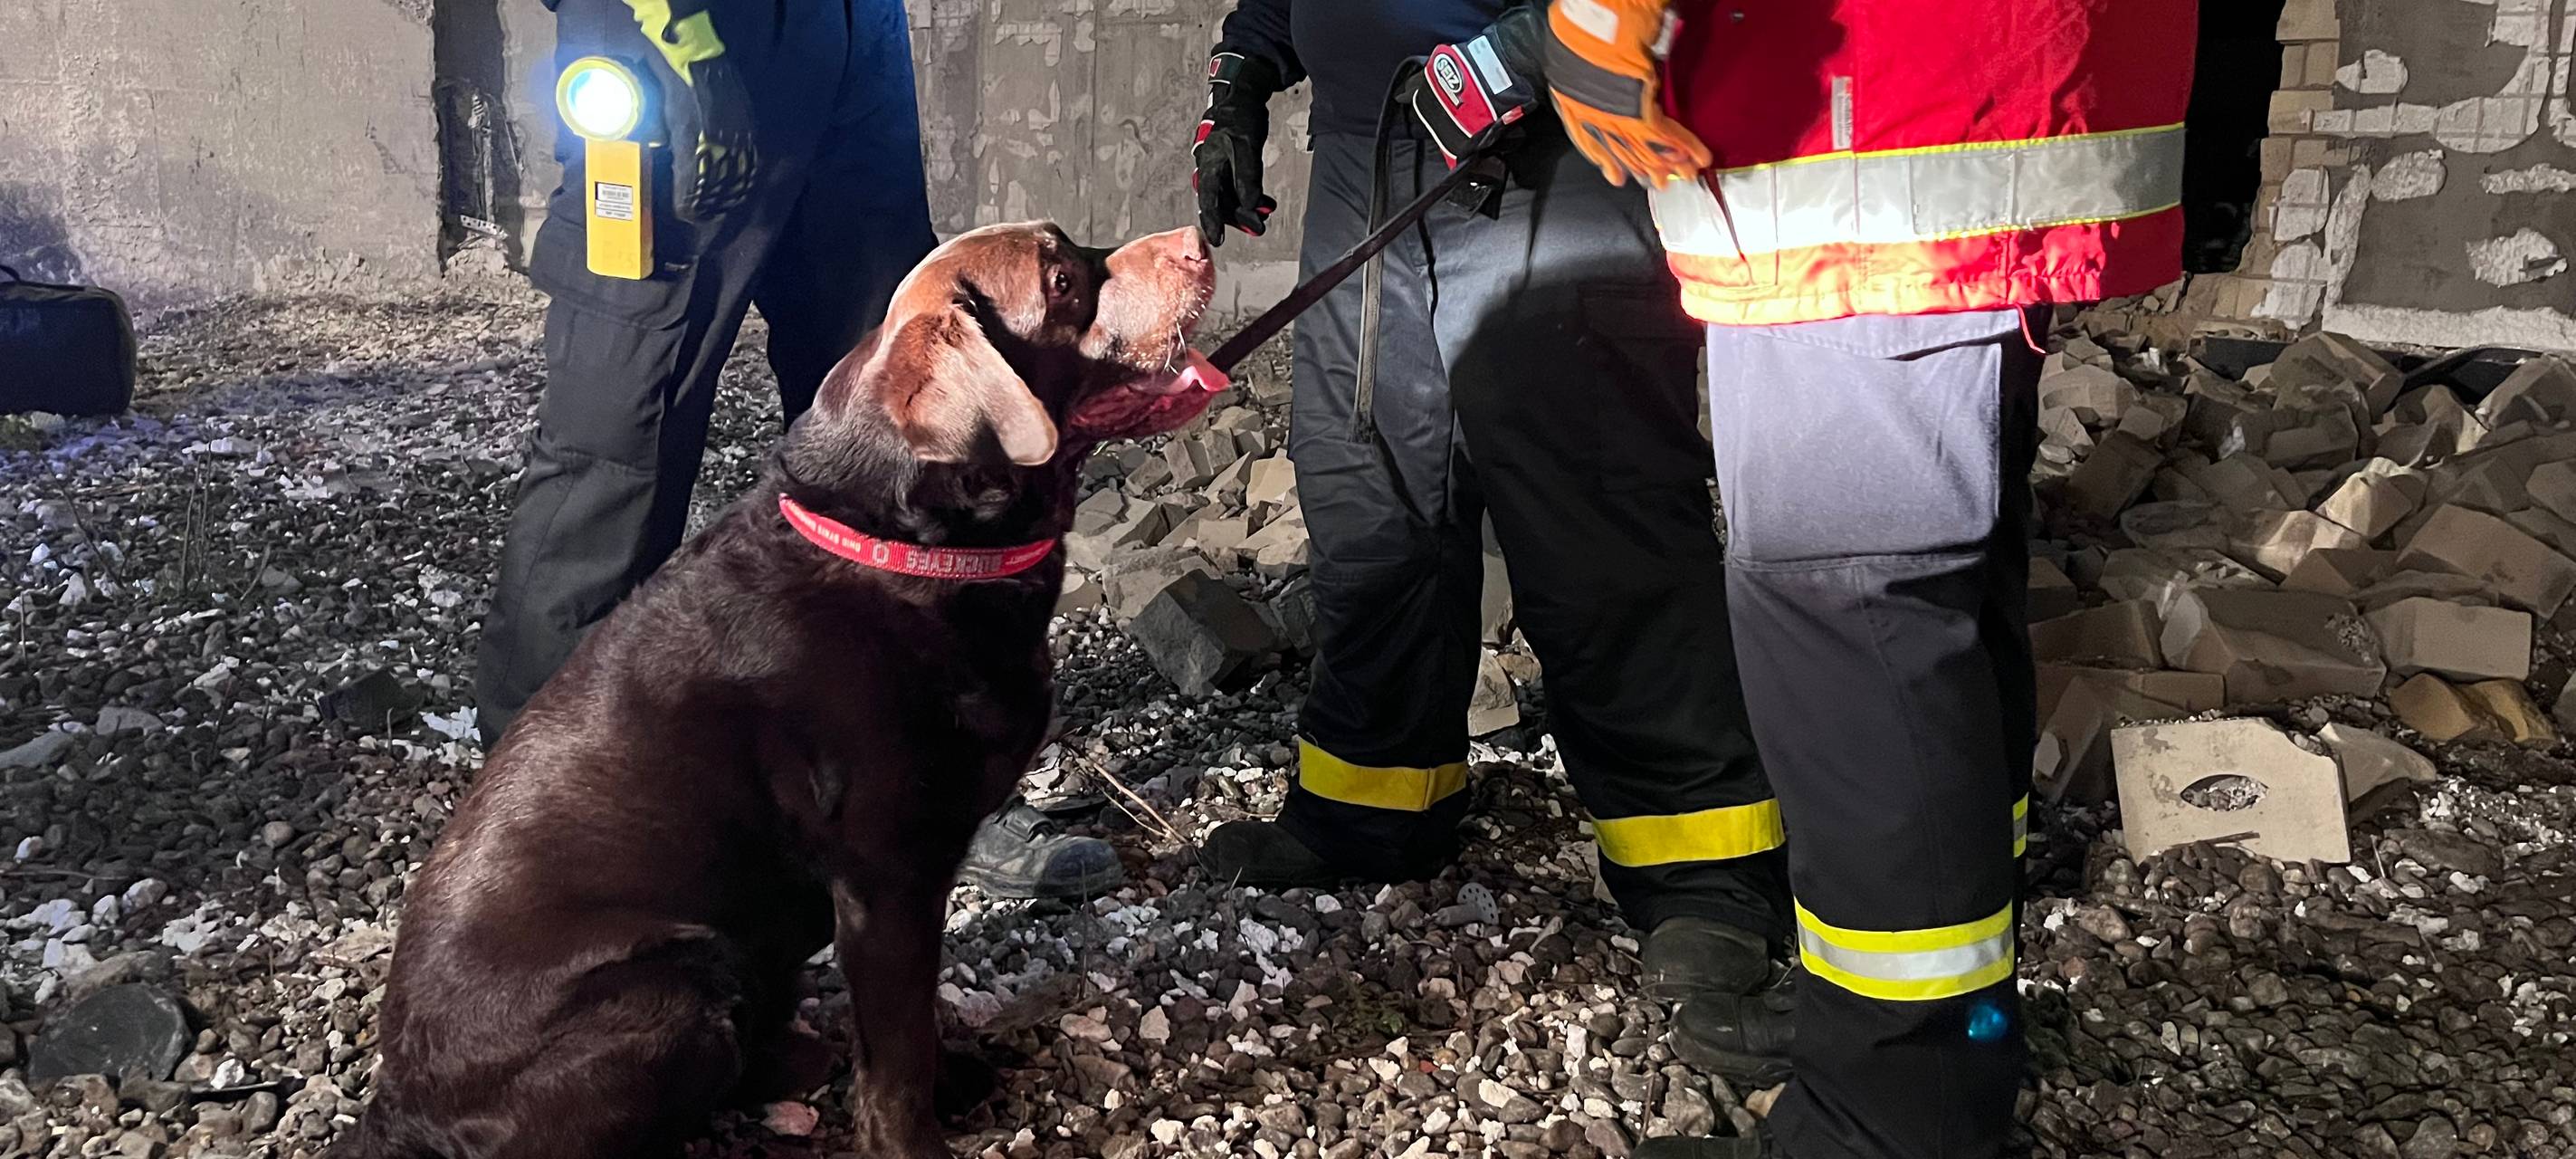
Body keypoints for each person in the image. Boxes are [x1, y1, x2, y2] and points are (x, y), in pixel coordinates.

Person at [1538, 0, 2196, 1154]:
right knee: (1936, 605)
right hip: (1960, 119)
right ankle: (1948, 1041)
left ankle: (1890, 1119)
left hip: (1859, 141)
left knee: (1853, 623)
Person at [1188, 0, 1789, 1004]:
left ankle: (1702, 871)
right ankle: (1371, 805)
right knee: (1370, 500)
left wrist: (1521, 50)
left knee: (1596, 521)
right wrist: (1242, 73)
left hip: (1549, 154)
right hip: (1367, 157)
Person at [475, 0, 1118, 900]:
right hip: (678, 47)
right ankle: (536, 812)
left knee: (895, 429)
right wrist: (691, 49)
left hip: (849, 38)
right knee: (616, 450)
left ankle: (915, 780)